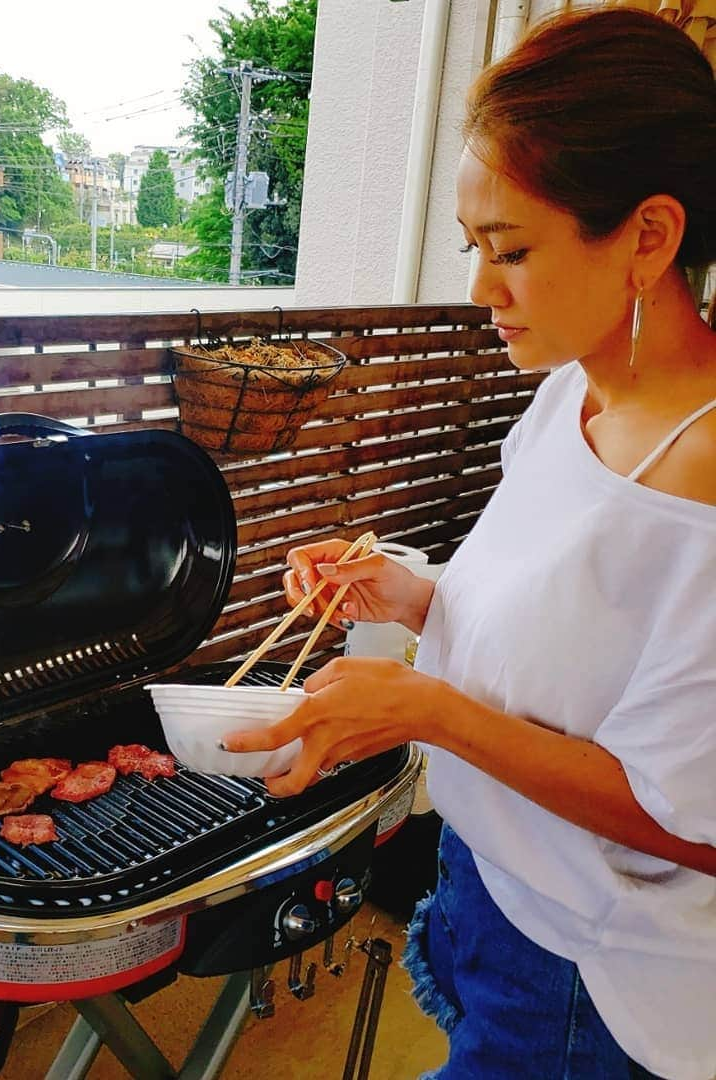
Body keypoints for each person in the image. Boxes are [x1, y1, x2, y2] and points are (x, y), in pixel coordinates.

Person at [222, 9, 716, 1078]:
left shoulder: (702, 472)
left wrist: (423, 709)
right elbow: (560, 636)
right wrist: (405, 593)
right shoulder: (567, 396)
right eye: (474, 248)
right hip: (489, 887)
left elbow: (696, 827)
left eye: (515, 251)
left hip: (595, 974)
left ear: (648, 235)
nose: (481, 291)